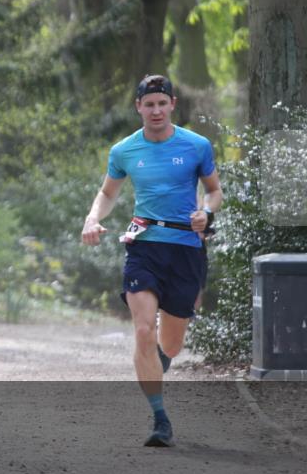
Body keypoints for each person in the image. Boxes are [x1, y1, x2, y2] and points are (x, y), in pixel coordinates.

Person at [81, 74, 222, 447]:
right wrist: (93, 218)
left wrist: (206, 213)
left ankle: (160, 360)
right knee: (143, 329)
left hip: (186, 248)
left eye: (162, 103)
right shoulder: (124, 151)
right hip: (143, 245)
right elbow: (107, 193)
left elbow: (214, 190)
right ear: (139, 108)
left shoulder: (197, 145)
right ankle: (160, 419)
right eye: (149, 104)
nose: (156, 110)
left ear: (173, 104)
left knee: (170, 345)